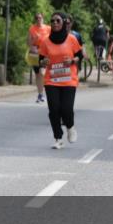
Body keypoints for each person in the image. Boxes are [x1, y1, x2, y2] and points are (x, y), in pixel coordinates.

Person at [38, 12, 83, 149]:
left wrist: (72, 60)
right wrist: (43, 62)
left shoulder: (72, 39)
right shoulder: (45, 41)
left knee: (66, 109)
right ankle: (58, 138)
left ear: (63, 23)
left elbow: (79, 56)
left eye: (58, 21)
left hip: (69, 80)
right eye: (52, 21)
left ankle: (70, 127)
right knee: (54, 110)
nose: (55, 23)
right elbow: (41, 61)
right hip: (52, 80)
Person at [26, 13, 51, 103]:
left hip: (45, 53)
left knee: (42, 73)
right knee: (37, 74)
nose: (38, 19)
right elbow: (28, 43)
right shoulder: (32, 28)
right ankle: (40, 94)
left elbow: (53, 39)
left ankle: (46, 90)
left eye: (40, 18)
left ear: (43, 18)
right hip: (35, 53)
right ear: (35, 19)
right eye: (37, 18)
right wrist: (33, 40)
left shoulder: (48, 28)